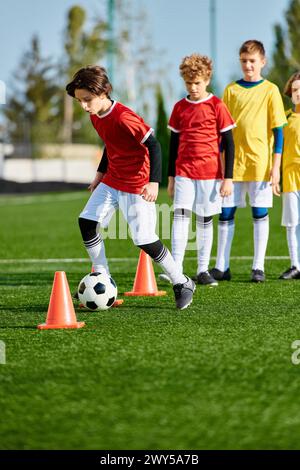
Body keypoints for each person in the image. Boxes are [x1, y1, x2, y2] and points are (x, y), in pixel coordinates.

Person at [66, 65, 195, 309]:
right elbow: (110, 145)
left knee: (144, 239)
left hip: (137, 185)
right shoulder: (96, 116)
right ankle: (101, 275)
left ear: (103, 92)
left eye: (87, 100)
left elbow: (154, 145)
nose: (83, 106)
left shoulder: (124, 117)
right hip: (112, 180)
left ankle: (182, 282)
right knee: (87, 222)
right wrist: (99, 175)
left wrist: (153, 182)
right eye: (79, 101)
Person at [211, 40, 287, 283]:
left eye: (253, 61)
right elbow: (223, 131)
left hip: (260, 164)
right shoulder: (231, 90)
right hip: (234, 165)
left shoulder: (271, 90)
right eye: (244, 61)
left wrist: (275, 168)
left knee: (259, 212)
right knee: (225, 213)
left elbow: (279, 132)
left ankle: (258, 267)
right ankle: (222, 266)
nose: (248, 65)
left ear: (262, 62)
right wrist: (222, 166)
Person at [159, 53, 235, 286]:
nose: (193, 87)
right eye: (189, 83)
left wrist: (228, 178)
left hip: (210, 174)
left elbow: (230, 143)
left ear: (207, 79)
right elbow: (173, 144)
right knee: (180, 217)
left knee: (204, 219)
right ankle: (177, 269)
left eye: (197, 83)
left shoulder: (217, 105)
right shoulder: (180, 107)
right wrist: (171, 177)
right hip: (184, 172)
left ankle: (203, 270)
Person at [279, 71, 300, 280]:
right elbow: (276, 148)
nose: (299, 94)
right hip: (290, 176)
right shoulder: (285, 118)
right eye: (295, 90)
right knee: (292, 222)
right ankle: (296, 265)